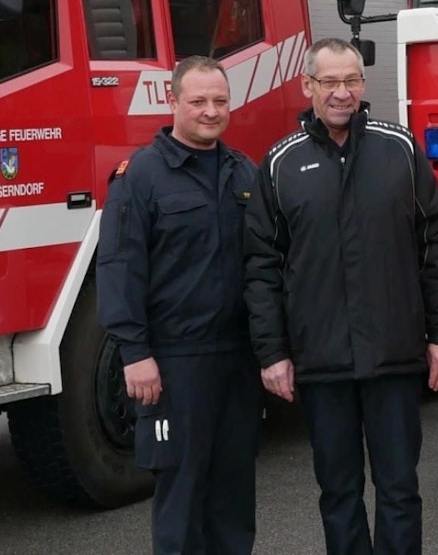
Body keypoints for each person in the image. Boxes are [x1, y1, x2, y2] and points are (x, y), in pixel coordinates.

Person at [244, 37, 438, 555]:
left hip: (395, 355)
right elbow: (261, 266)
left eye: (352, 81)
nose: (342, 93)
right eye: (330, 82)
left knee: (400, 489)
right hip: (321, 362)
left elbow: (437, 243)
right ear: (308, 86)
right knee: (338, 492)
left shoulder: (399, 149)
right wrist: (273, 352)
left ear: (363, 84)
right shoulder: (280, 163)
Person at [97, 55, 261, 554]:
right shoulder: (139, 177)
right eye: (198, 101)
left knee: (234, 494)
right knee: (181, 493)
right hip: (173, 363)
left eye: (220, 101)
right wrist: (134, 352)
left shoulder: (244, 173)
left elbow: (267, 264)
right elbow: (120, 268)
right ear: (172, 102)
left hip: (237, 358)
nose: (210, 111)